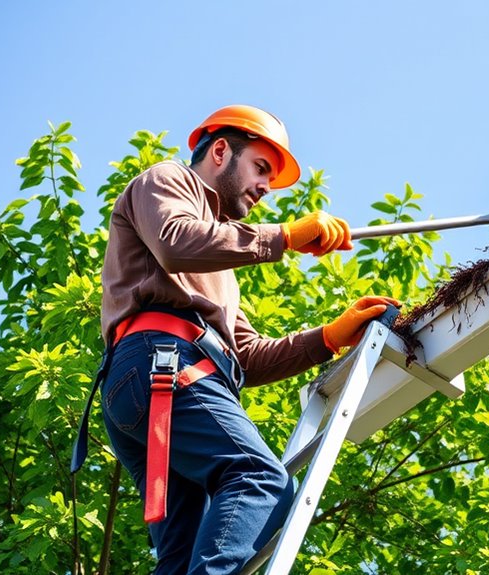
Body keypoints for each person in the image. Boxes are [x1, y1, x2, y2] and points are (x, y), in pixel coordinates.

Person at [90, 104, 398, 574]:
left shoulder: (220, 269)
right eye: (260, 168)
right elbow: (175, 241)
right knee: (259, 477)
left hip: (162, 377)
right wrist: (284, 238)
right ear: (219, 151)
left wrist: (329, 337)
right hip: (161, 365)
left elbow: (247, 358)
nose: (264, 189)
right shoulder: (169, 181)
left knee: (180, 555)